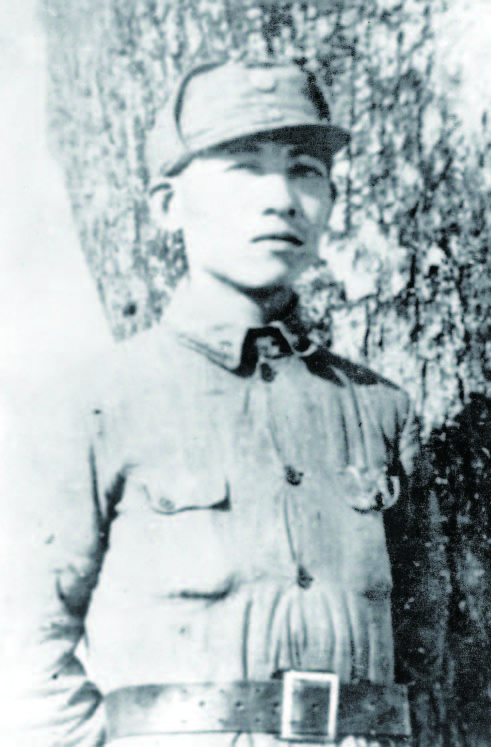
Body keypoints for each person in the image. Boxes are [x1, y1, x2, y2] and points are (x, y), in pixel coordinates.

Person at [14, 60, 446, 747]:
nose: (280, 199)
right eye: (244, 168)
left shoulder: (379, 410)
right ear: (168, 204)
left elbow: (425, 650)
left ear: (331, 198)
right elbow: (22, 657)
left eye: (305, 170)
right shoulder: (94, 404)